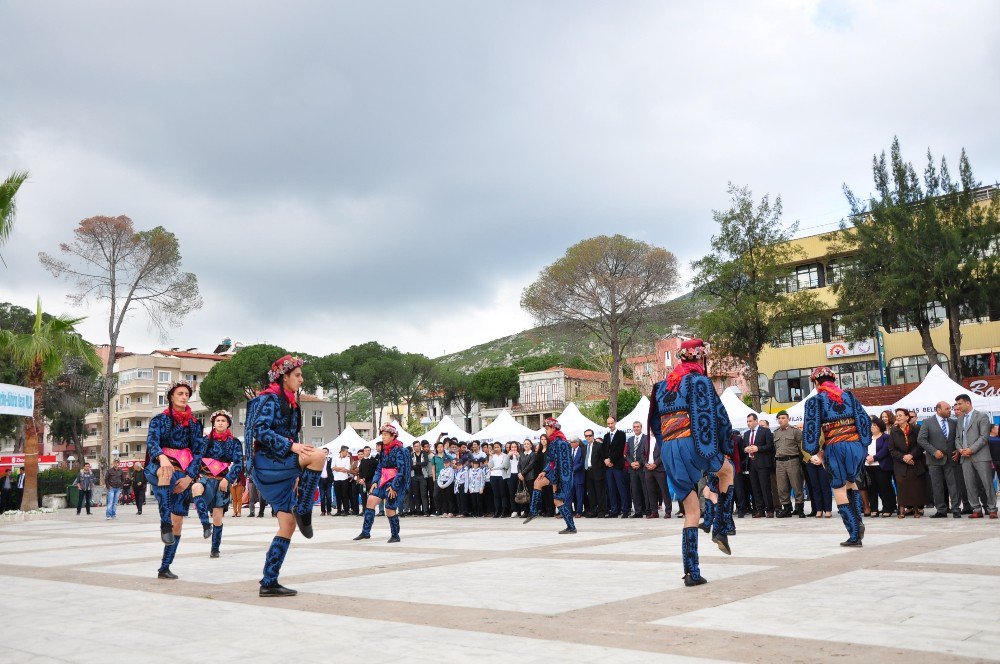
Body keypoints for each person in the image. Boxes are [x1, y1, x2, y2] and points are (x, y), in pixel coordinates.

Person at [647, 339, 734, 586]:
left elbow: (654, 423)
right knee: (727, 471)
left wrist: (667, 443)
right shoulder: (701, 382)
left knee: (692, 512)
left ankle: (691, 573)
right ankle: (721, 525)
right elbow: (721, 419)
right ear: (699, 358)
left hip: (670, 448)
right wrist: (726, 449)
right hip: (694, 442)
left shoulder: (661, 387)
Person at [243, 355, 327, 597]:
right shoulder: (268, 399)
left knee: (287, 526)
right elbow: (259, 430)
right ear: (284, 376)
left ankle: (269, 582)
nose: (302, 379)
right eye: (298, 375)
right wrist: (293, 448)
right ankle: (304, 508)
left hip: (280, 464)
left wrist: (298, 464)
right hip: (268, 462)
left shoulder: (291, 403)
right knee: (319, 455)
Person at [144, 380, 207, 579]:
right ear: (171, 396)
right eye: (180, 393)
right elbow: (152, 441)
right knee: (165, 472)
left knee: (178, 522)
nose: (183, 397)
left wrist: (189, 478)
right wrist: (162, 457)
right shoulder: (159, 420)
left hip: (183, 473)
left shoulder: (195, 424)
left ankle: (165, 567)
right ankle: (164, 523)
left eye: (187, 394)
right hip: (159, 466)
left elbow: (199, 453)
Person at [802, 367, 871, 546]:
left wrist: (815, 451)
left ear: (816, 382)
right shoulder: (849, 396)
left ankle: (854, 533)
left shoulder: (815, 401)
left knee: (838, 488)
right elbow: (864, 421)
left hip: (836, 447)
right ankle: (859, 522)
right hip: (856, 446)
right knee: (851, 482)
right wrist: (862, 445)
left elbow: (811, 430)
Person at [191, 409, 244, 557]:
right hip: (206, 478)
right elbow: (196, 459)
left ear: (228, 424)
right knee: (195, 488)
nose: (220, 423)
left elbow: (239, 463)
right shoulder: (205, 440)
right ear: (213, 423)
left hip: (223, 481)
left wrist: (228, 479)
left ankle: (215, 549)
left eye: (223, 421)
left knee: (218, 517)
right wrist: (193, 475)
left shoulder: (234, 442)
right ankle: (205, 524)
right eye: (218, 421)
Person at [354, 423, 413, 541]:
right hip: (382, 481)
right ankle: (366, 532)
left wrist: (395, 487)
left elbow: (402, 471)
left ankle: (395, 535)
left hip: (395, 483)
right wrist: (375, 481)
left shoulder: (401, 450)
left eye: (386, 435)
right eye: (383, 435)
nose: (383, 437)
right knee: (370, 501)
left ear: (393, 436)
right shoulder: (383, 451)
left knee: (389, 509)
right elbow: (379, 468)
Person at [523, 417, 576, 534]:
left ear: (553, 428)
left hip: (562, 477)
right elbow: (552, 461)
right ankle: (571, 526)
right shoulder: (555, 441)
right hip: (557, 474)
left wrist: (555, 479)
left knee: (555, 499)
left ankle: (535, 510)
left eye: (547, 428)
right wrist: (545, 471)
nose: (546, 431)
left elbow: (565, 464)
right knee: (555, 499)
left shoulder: (561, 442)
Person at [954, 394, 997, 519]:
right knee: (969, 484)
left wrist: (971, 450)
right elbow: (957, 438)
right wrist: (960, 449)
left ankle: (992, 508)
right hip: (964, 457)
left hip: (981, 456)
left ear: (968, 403)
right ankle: (976, 509)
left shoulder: (981, 416)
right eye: (956, 404)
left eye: (960, 403)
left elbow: (984, 437)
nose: (958, 406)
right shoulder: (960, 419)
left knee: (986, 483)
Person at [917, 401, 962, 518]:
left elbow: (958, 438)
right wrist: (933, 451)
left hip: (951, 458)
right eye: (947, 409)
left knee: (954, 485)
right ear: (938, 410)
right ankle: (941, 510)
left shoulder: (953, 422)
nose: (950, 411)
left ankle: (956, 509)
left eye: (949, 408)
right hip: (934, 460)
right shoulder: (927, 422)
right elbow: (921, 439)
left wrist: (958, 450)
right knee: (937, 486)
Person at [890, 407, 927, 518]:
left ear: (907, 417)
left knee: (915, 486)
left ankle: (916, 510)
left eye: (901, 415)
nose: (898, 417)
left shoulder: (915, 428)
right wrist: (904, 457)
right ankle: (901, 509)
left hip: (915, 461)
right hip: (900, 463)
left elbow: (920, 445)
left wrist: (911, 455)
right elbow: (892, 449)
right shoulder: (894, 430)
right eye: (897, 415)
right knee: (902, 486)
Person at [772, 411, 805, 518]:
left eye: (783, 418)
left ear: (788, 419)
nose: (781, 420)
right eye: (779, 418)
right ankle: (786, 508)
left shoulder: (795, 431)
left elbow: (801, 448)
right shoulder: (776, 432)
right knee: (782, 487)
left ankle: (800, 508)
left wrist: (801, 462)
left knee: (797, 485)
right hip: (779, 462)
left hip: (792, 461)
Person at [743, 414, 775, 518]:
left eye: (750, 421)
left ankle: (769, 510)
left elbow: (770, 446)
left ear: (756, 421)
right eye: (747, 421)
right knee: (755, 488)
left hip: (763, 463)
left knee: (765, 487)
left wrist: (758, 448)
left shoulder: (765, 431)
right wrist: (746, 449)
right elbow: (744, 447)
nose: (748, 423)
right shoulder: (746, 433)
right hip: (751, 463)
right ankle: (760, 510)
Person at [866, 419, 897, 517]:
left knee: (884, 488)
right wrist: (867, 456)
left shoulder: (886, 437)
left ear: (880, 426)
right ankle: (874, 509)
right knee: (871, 489)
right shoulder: (866, 438)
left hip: (882, 467)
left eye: (874, 425)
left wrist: (874, 458)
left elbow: (885, 451)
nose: (872, 427)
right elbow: (862, 449)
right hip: (868, 466)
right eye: (871, 425)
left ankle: (887, 508)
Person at [603, 417, 629, 518]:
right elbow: (604, 450)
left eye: (611, 423)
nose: (610, 425)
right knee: (611, 489)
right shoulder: (606, 436)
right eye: (608, 423)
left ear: (615, 423)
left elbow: (619, 450)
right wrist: (606, 460)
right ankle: (614, 510)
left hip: (617, 466)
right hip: (608, 467)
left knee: (621, 488)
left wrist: (611, 460)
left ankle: (625, 510)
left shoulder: (621, 434)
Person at [582, 429, 608, 518]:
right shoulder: (584, 447)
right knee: (591, 493)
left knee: (600, 492)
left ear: (593, 436)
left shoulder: (599, 446)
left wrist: (602, 471)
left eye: (590, 435)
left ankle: (601, 511)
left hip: (597, 471)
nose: (588, 437)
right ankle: (593, 511)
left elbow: (604, 458)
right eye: (586, 436)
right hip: (587, 472)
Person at [626, 421, 648, 519]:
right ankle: (638, 512)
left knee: (645, 490)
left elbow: (647, 453)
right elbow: (627, 454)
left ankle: (648, 510)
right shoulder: (630, 440)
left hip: (642, 468)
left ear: (641, 427)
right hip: (632, 469)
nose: (636, 428)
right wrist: (631, 463)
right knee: (635, 491)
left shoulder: (646, 438)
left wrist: (639, 462)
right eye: (634, 427)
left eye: (638, 427)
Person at [487, 442, 511, 518]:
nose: (496, 448)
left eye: (498, 447)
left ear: (501, 447)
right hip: (493, 476)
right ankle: (497, 510)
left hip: (502, 476)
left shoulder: (505, 456)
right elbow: (490, 466)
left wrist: (496, 468)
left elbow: (505, 466)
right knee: (496, 494)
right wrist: (490, 457)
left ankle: (504, 511)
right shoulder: (492, 456)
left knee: (503, 494)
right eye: (495, 447)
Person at [332, 446, 354, 516]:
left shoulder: (347, 459)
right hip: (336, 479)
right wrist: (342, 468)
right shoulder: (335, 457)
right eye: (346, 451)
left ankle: (346, 510)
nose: (347, 453)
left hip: (344, 479)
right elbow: (332, 467)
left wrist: (337, 468)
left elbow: (347, 469)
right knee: (338, 496)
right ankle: (338, 510)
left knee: (345, 495)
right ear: (342, 451)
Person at [411, 441, 431, 516]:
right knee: (416, 494)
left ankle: (426, 511)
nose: (417, 447)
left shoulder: (424, 454)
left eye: (418, 446)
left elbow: (425, 463)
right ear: (413, 447)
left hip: (423, 476)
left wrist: (416, 464)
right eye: (415, 446)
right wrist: (419, 465)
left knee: (424, 494)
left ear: (420, 446)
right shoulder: (412, 455)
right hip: (414, 476)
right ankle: (418, 511)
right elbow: (410, 466)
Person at [569, 437, 586, 517]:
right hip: (570, 478)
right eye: (571, 442)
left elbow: (581, 463)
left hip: (578, 476)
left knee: (579, 495)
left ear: (578, 442)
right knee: (570, 495)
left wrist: (572, 470)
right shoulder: (569, 450)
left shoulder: (582, 450)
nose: (572, 443)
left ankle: (579, 511)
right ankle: (570, 511)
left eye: (573, 442)